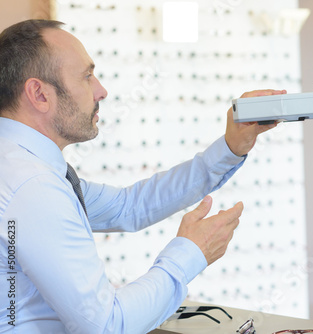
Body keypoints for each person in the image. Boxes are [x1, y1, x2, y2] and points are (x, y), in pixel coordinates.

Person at [0, 19, 284, 333]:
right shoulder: (34, 187)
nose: (101, 91)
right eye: (87, 76)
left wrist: (230, 148)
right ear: (39, 94)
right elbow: (107, 325)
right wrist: (191, 253)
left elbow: (128, 206)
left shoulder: (21, 165)